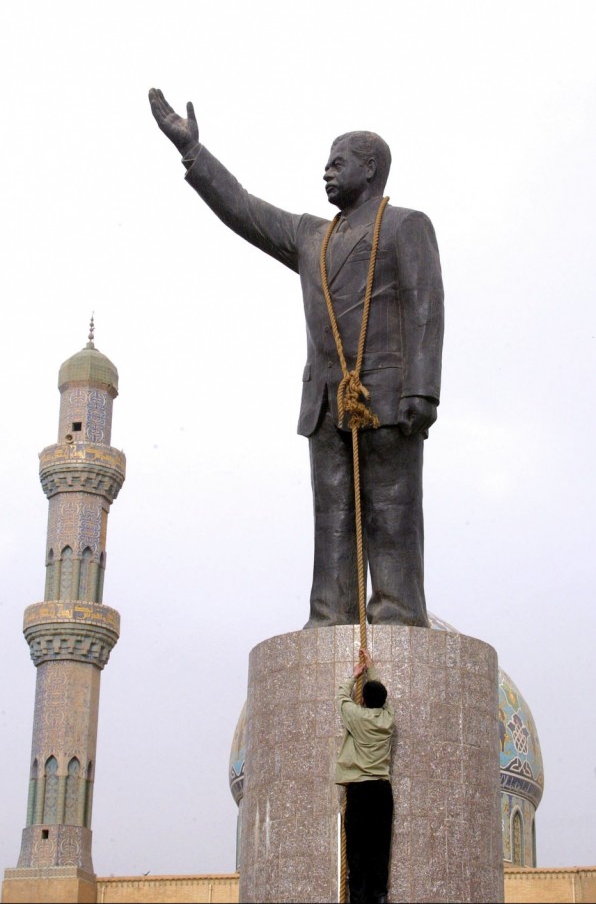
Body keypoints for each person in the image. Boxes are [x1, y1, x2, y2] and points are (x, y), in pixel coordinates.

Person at [148, 89, 445, 629]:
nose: (326, 173)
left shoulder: (406, 225)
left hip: (387, 392)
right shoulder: (311, 236)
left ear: (370, 168)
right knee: (332, 515)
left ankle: (399, 612)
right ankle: (331, 614)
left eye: (338, 163)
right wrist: (193, 151)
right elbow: (244, 209)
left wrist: (422, 389)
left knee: (391, 509)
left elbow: (426, 306)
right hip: (325, 400)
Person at [336, 646, 394, 904]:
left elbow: (341, 698)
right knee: (380, 847)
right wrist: (372, 668)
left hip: (359, 790)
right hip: (382, 791)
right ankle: (379, 895)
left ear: (364, 700)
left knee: (357, 849)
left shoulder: (356, 717)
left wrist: (354, 675)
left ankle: (357, 898)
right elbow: (384, 698)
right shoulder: (388, 720)